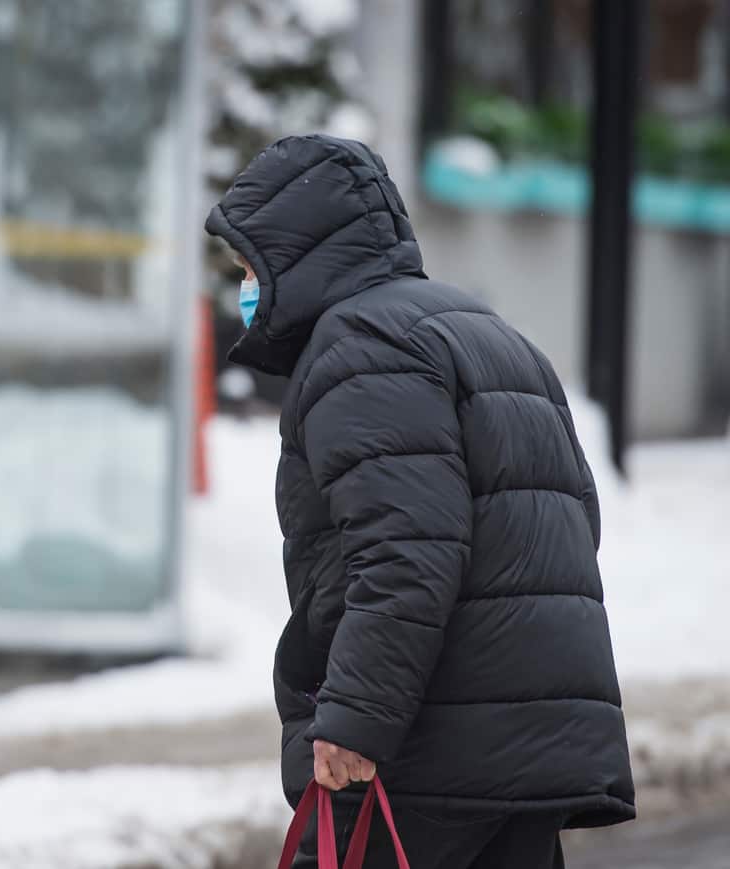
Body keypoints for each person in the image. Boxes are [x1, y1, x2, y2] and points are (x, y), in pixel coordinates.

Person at [206, 135, 634, 869]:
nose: (245, 284)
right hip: (524, 745)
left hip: (429, 750)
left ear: (296, 250)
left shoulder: (362, 346)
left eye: (250, 263)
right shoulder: (485, 333)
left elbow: (405, 552)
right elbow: (570, 524)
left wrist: (355, 720)